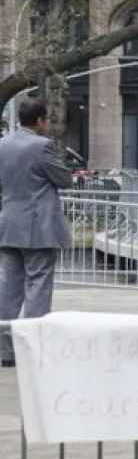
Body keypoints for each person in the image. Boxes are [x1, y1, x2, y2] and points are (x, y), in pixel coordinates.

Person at [0, 98, 73, 368]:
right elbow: (64, 179)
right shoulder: (41, 147)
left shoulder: (3, 144)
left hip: (9, 223)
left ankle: (5, 349)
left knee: (9, 288)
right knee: (38, 287)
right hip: (38, 227)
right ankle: (33, 347)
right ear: (41, 120)